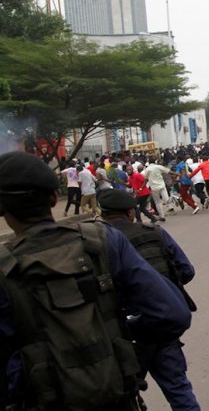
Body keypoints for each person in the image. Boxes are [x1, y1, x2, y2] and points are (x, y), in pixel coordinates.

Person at [0, 151, 191, 410]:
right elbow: (172, 312)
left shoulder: (5, 266)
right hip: (115, 395)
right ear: (54, 197)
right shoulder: (104, 240)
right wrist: (113, 331)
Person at [97, 189, 201, 410]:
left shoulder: (97, 243)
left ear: (103, 214)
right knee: (179, 389)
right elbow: (187, 271)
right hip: (161, 325)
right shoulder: (155, 232)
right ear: (130, 212)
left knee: (124, 396)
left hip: (123, 334)